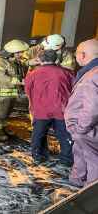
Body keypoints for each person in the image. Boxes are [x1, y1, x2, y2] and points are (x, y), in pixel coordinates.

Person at [24, 50, 74, 165]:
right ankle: (67, 159)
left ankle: (38, 156)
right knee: (64, 135)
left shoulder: (33, 73)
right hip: (61, 110)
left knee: (38, 134)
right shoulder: (67, 72)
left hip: (41, 110)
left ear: (40, 60)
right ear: (56, 59)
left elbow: (27, 90)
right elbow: (74, 88)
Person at [64, 39, 98, 187]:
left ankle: (90, 194)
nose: (75, 58)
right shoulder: (91, 72)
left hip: (87, 129)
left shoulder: (92, 76)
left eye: (76, 54)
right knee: (80, 153)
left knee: (93, 161)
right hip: (84, 129)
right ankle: (77, 179)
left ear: (83, 55)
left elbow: (92, 107)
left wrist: (80, 129)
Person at [0, 40, 29, 141]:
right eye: (19, 52)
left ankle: (2, 127)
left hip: (10, 93)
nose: (21, 54)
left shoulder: (12, 60)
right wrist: (18, 81)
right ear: (12, 52)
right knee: (0, 113)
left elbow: (22, 66)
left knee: (6, 113)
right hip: (0, 94)